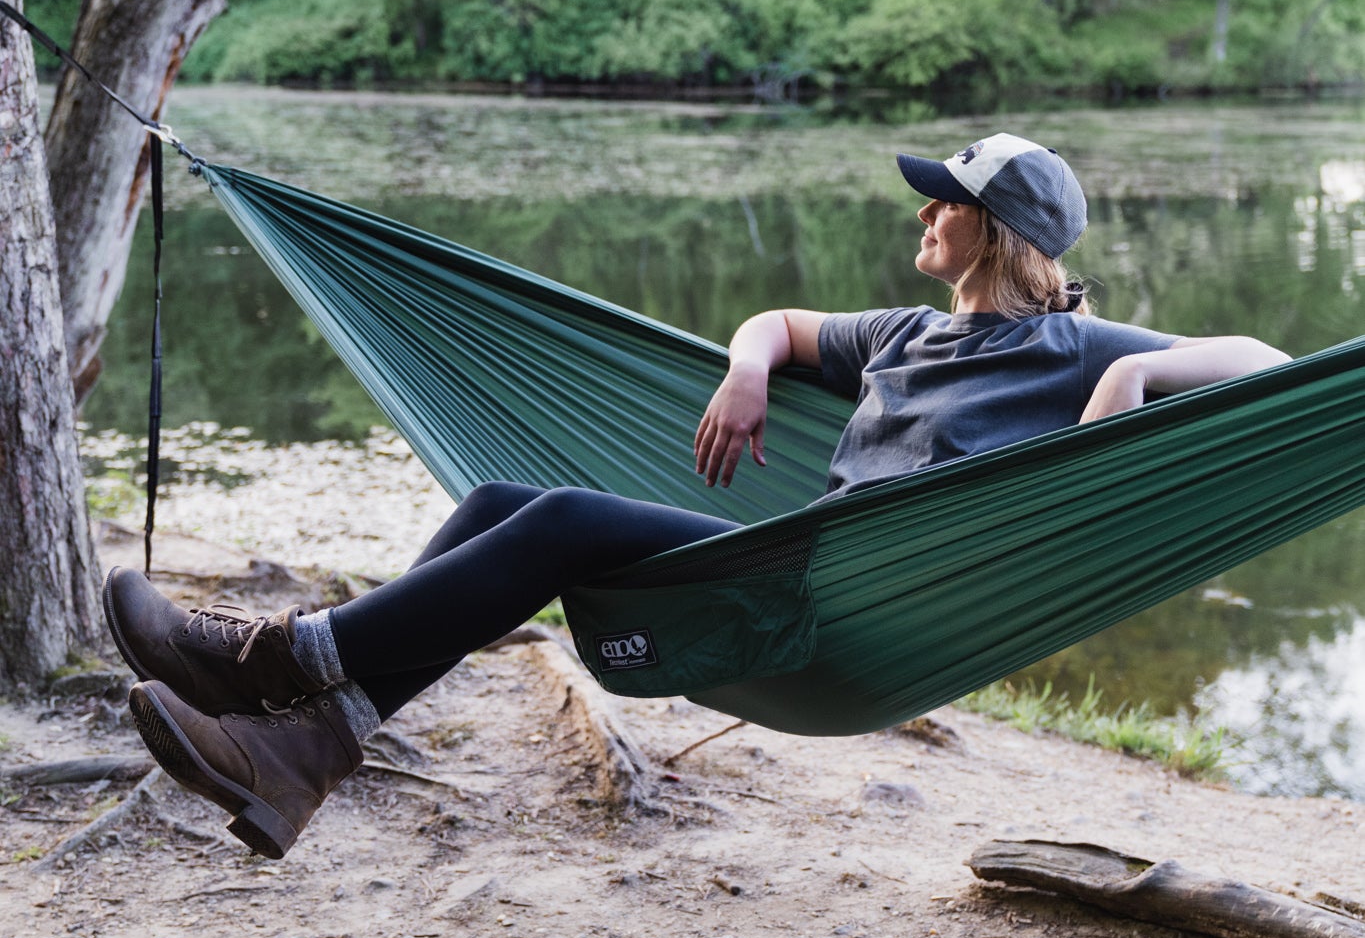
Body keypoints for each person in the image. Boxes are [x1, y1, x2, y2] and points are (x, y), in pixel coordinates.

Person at [107, 132, 1288, 858]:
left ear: (1000, 230)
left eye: (945, 199)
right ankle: (305, 748)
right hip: (795, 566)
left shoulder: (1071, 349)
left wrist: (1135, 371)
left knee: (564, 519)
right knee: (503, 499)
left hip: (852, 601)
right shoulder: (904, 329)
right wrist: (744, 366)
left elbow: (1265, 368)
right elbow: (775, 321)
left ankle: (280, 662)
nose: (923, 210)